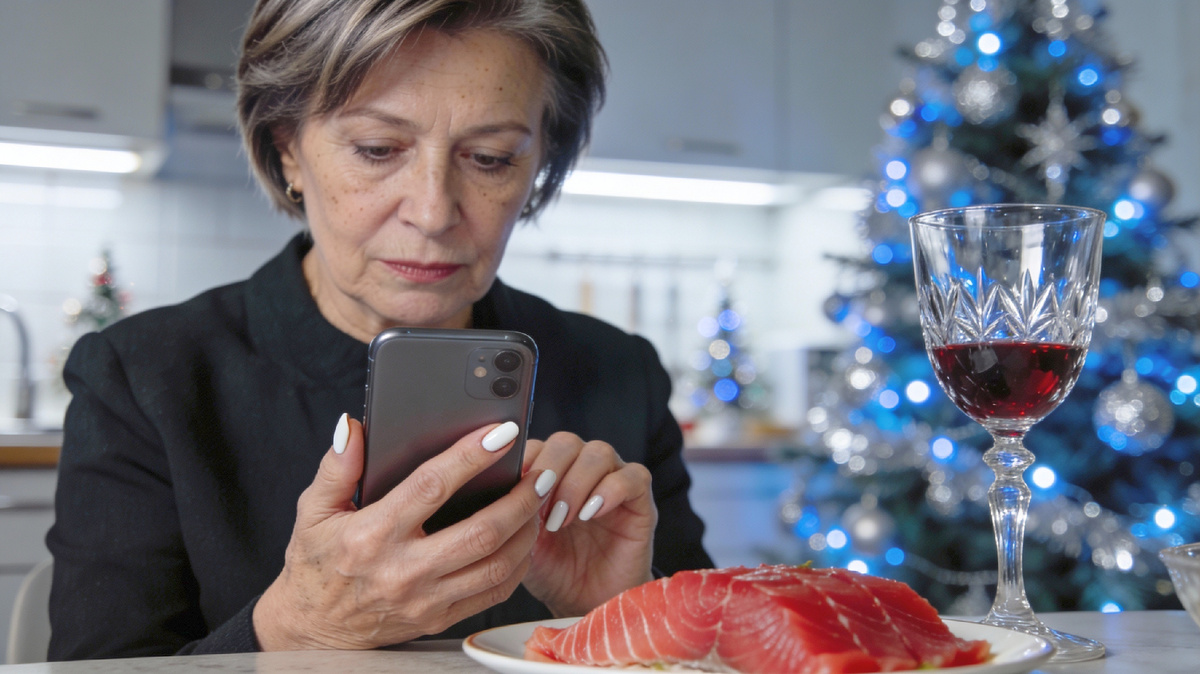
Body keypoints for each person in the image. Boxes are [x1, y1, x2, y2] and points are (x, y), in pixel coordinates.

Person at [46, 0, 712, 659]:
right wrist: (294, 630)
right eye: (376, 149)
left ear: (539, 164)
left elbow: (714, 652)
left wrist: (629, 622)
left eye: (489, 157)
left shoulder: (621, 374)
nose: (431, 212)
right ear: (289, 154)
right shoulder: (141, 377)